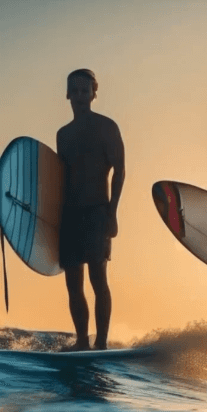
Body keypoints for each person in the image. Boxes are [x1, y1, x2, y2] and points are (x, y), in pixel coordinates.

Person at [57, 69, 125, 351]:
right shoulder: (63, 134)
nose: (80, 96)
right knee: (73, 283)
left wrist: (113, 212)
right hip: (69, 216)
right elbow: (58, 179)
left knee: (98, 279)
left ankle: (102, 342)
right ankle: (82, 340)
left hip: (97, 212)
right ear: (68, 94)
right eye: (75, 90)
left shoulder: (106, 126)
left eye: (86, 91)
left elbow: (119, 170)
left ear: (94, 94)